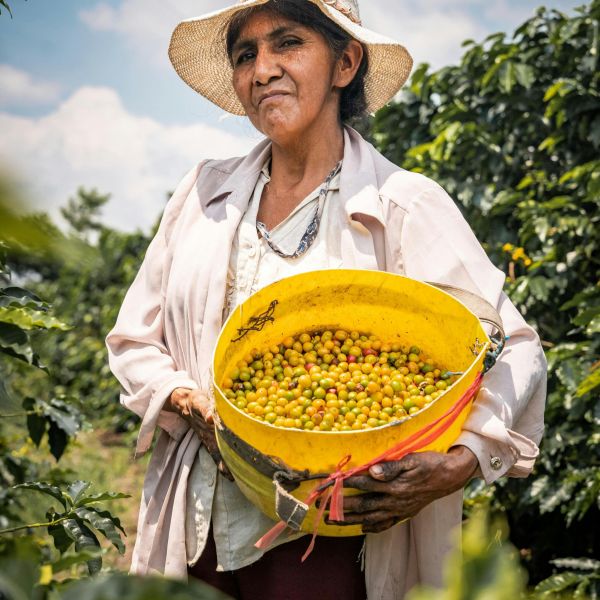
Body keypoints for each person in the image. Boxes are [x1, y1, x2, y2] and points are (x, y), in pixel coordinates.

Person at [105, 0, 547, 598]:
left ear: (345, 63)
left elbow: (514, 346)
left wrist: (464, 460)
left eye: (287, 44)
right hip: (199, 527)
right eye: (246, 54)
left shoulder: (402, 203)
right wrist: (187, 400)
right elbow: (135, 340)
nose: (262, 70)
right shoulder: (204, 193)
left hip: (331, 541)